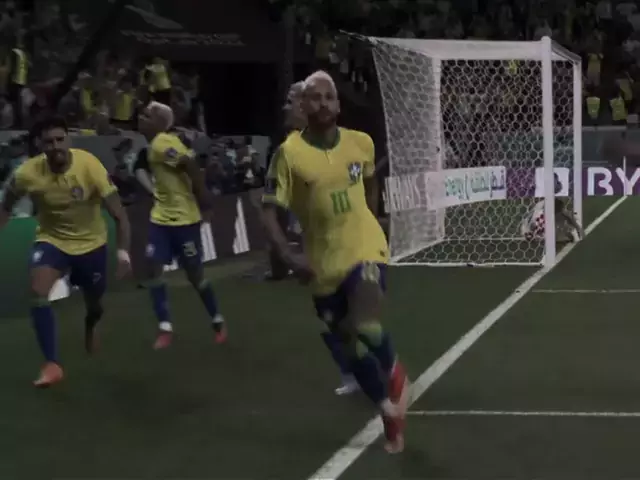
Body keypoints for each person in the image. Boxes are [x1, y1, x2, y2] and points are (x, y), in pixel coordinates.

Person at [262, 71, 410, 453]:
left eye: (329, 97)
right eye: (314, 97)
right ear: (303, 105)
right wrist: (289, 255)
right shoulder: (288, 155)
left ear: (339, 105)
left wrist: (372, 221)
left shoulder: (361, 143)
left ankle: (395, 370)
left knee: (365, 322)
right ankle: (387, 410)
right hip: (322, 263)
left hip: (365, 246)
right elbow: (269, 211)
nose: (323, 103)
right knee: (350, 346)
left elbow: (371, 183)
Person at [0, 116, 132, 387]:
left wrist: (123, 253)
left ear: (68, 140)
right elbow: (6, 205)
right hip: (52, 241)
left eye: (60, 139)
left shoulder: (90, 166)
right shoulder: (27, 173)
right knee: (38, 292)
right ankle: (52, 364)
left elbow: (120, 215)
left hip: (91, 244)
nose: (56, 146)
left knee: (94, 305)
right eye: (49, 142)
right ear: (40, 145)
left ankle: (91, 323)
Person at [137, 101, 226, 349]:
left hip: (184, 220)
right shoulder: (164, 142)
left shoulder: (161, 143)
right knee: (153, 267)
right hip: (161, 219)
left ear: (159, 123)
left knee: (195, 276)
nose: (141, 118)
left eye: (147, 115)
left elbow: (189, 165)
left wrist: (203, 197)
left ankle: (217, 319)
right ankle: (165, 327)